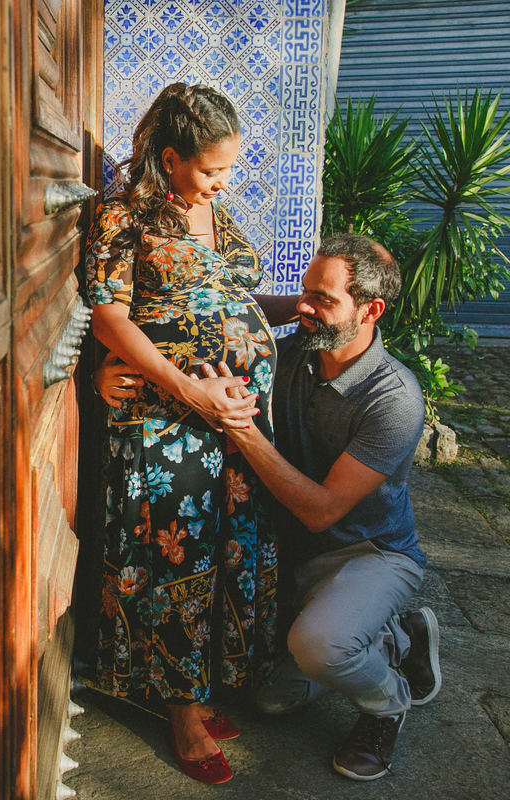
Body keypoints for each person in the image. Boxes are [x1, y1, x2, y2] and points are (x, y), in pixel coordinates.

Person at [97, 233, 442, 782]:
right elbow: (195, 335)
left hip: (367, 553)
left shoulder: (393, 398)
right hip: (291, 558)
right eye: (305, 291)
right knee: (270, 700)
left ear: (370, 310)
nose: (303, 306)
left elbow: (321, 510)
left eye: (323, 299)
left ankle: (387, 704)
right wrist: (112, 374)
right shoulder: (294, 354)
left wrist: (243, 429)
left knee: (321, 647)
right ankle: (395, 635)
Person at [77, 82, 298, 785]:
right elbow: (110, 318)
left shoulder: (214, 215)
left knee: (227, 556)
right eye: (210, 170)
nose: (221, 183)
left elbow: (226, 300)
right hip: (165, 421)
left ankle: (200, 692)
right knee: (177, 564)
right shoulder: (122, 218)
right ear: (169, 158)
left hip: (229, 426)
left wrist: (299, 307)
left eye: (228, 169)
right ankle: (180, 714)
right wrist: (190, 389)